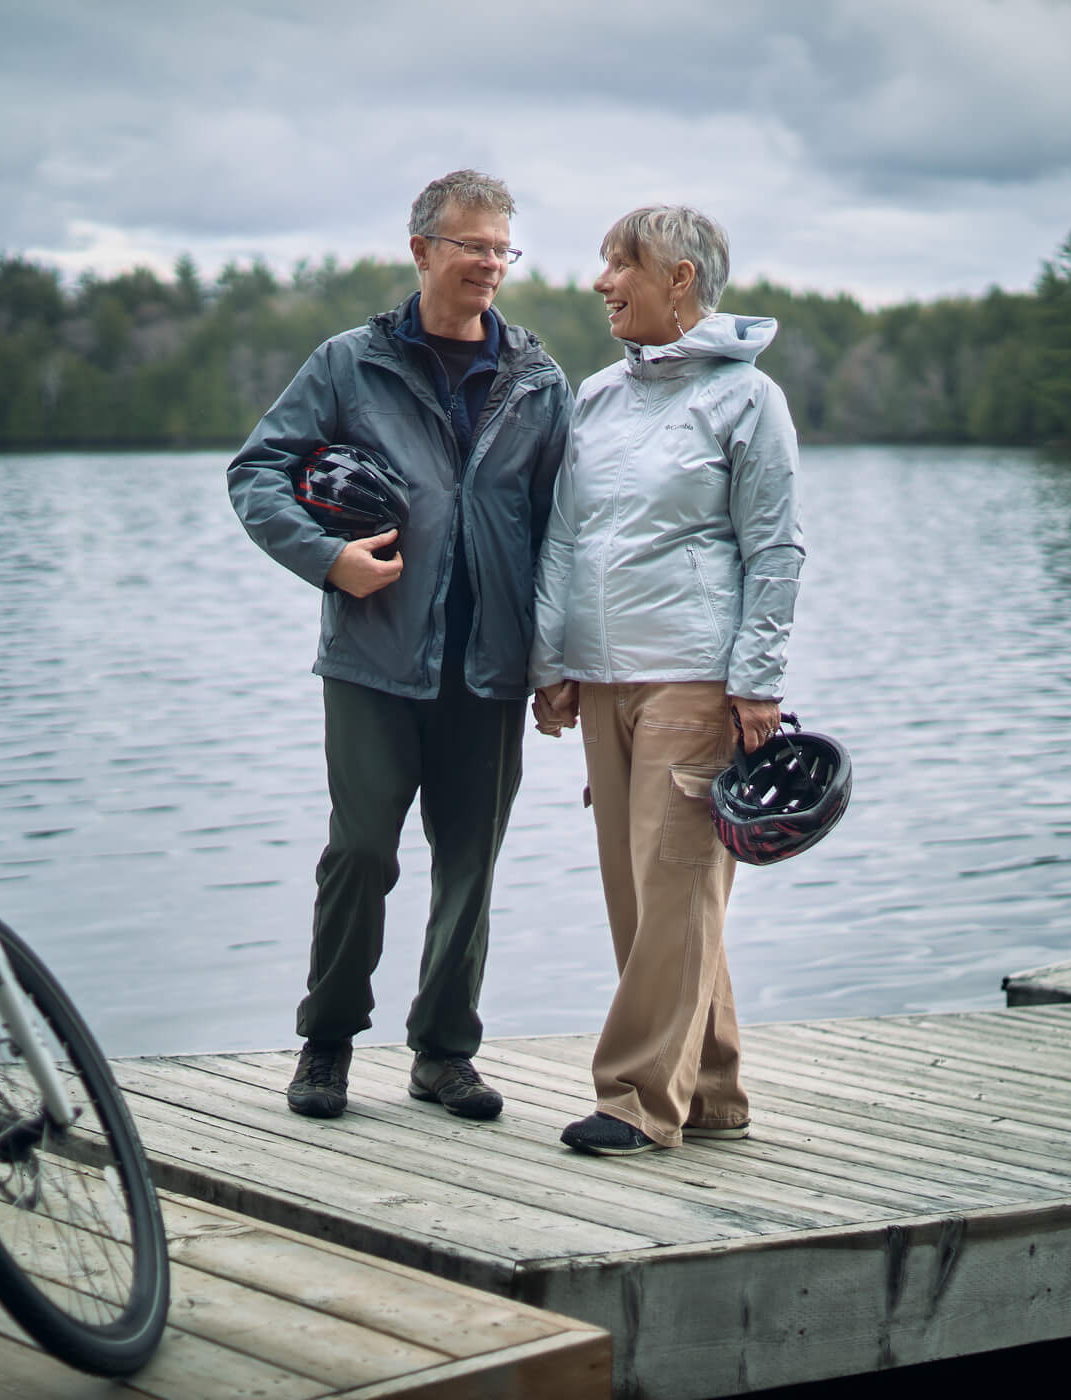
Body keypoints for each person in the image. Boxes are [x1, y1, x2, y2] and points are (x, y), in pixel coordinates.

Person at [227, 170, 570, 1122]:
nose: (490, 265)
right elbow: (258, 471)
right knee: (362, 851)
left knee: (471, 862)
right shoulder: (348, 364)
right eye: (472, 245)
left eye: (503, 248)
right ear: (421, 250)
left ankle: (443, 1053)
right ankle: (327, 1045)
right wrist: (326, 558)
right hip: (375, 661)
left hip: (492, 666)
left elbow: (563, 535)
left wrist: (558, 665)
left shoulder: (540, 382)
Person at [530, 205, 803, 1156]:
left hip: (694, 678)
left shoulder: (747, 400)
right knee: (644, 895)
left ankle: (637, 1100)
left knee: (678, 885)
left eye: (620, 263)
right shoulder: (596, 397)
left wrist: (757, 681)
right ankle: (714, 1089)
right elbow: (563, 535)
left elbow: (774, 548)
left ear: (677, 278)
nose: (603, 281)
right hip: (601, 677)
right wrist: (550, 659)